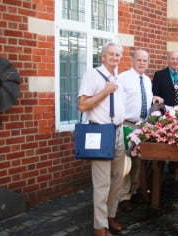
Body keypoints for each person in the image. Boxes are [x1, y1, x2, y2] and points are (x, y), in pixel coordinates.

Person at [78, 42, 125, 236]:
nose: (115, 57)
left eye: (118, 55)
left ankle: (110, 216)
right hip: (100, 133)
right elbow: (82, 106)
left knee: (117, 180)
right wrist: (105, 91)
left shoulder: (117, 77)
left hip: (118, 132)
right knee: (102, 182)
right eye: (111, 54)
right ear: (103, 56)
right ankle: (99, 227)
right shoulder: (92, 75)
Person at [118, 50, 164, 212]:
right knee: (126, 162)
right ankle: (123, 196)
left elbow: (142, 98)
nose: (142, 63)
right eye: (139, 60)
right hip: (127, 124)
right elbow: (118, 102)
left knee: (138, 162)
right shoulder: (122, 78)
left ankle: (134, 191)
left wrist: (154, 99)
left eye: (145, 60)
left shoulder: (146, 80)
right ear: (132, 60)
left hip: (142, 126)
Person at [152, 51, 178, 175]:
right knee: (165, 139)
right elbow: (155, 94)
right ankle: (161, 166)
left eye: (177, 59)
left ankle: (175, 166)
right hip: (165, 112)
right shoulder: (160, 75)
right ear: (168, 59)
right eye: (173, 59)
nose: (175, 61)